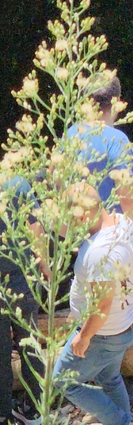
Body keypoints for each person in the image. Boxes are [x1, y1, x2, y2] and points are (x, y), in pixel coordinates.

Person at [53, 184, 133, 425]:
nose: (68, 225)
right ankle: (122, 419)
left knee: (64, 381)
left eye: (69, 219)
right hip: (129, 320)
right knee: (109, 376)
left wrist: (83, 337)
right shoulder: (123, 221)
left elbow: (101, 307)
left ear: (82, 216)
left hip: (105, 334)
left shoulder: (98, 253)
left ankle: (122, 422)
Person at [66, 75, 133, 262]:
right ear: (117, 102)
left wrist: (69, 236)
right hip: (115, 242)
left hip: (80, 242)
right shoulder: (116, 139)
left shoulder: (69, 137)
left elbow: (54, 188)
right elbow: (127, 197)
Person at [0, 177, 45, 422]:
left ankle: (2, 414)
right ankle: (37, 409)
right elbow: (35, 228)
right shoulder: (18, 184)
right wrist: (46, 268)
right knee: (30, 346)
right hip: (22, 278)